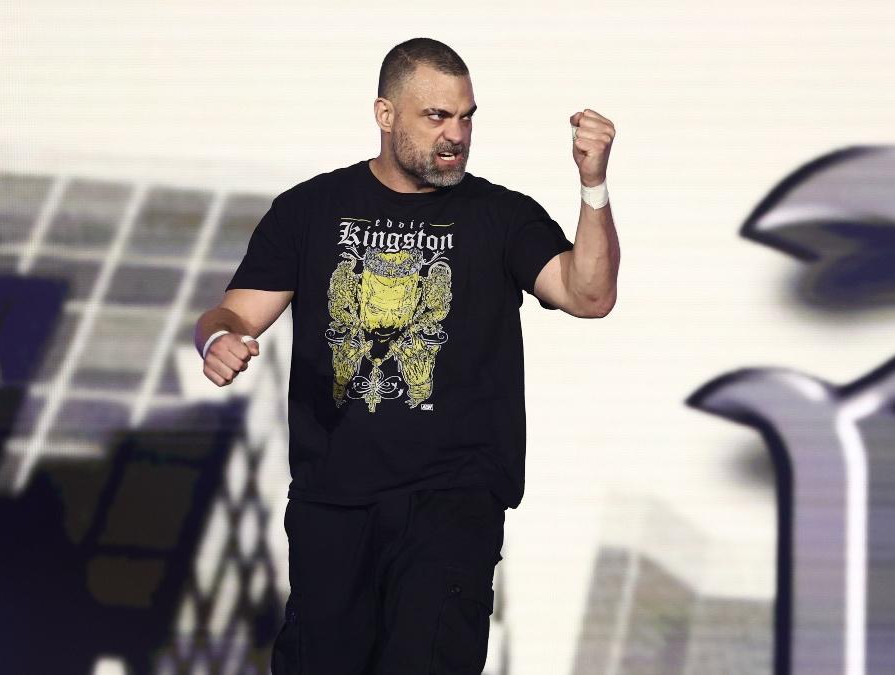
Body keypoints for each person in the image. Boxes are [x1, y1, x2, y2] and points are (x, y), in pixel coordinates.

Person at [194, 37, 619, 675]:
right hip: (333, 501)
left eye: (466, 116)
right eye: (436, 116)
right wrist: (217, 340)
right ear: (385, 114)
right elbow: (232, 312)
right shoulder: (311, 210)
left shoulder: (500, 217)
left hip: (453, 503)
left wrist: (592, 186)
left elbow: (589, 295)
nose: (455, 135)